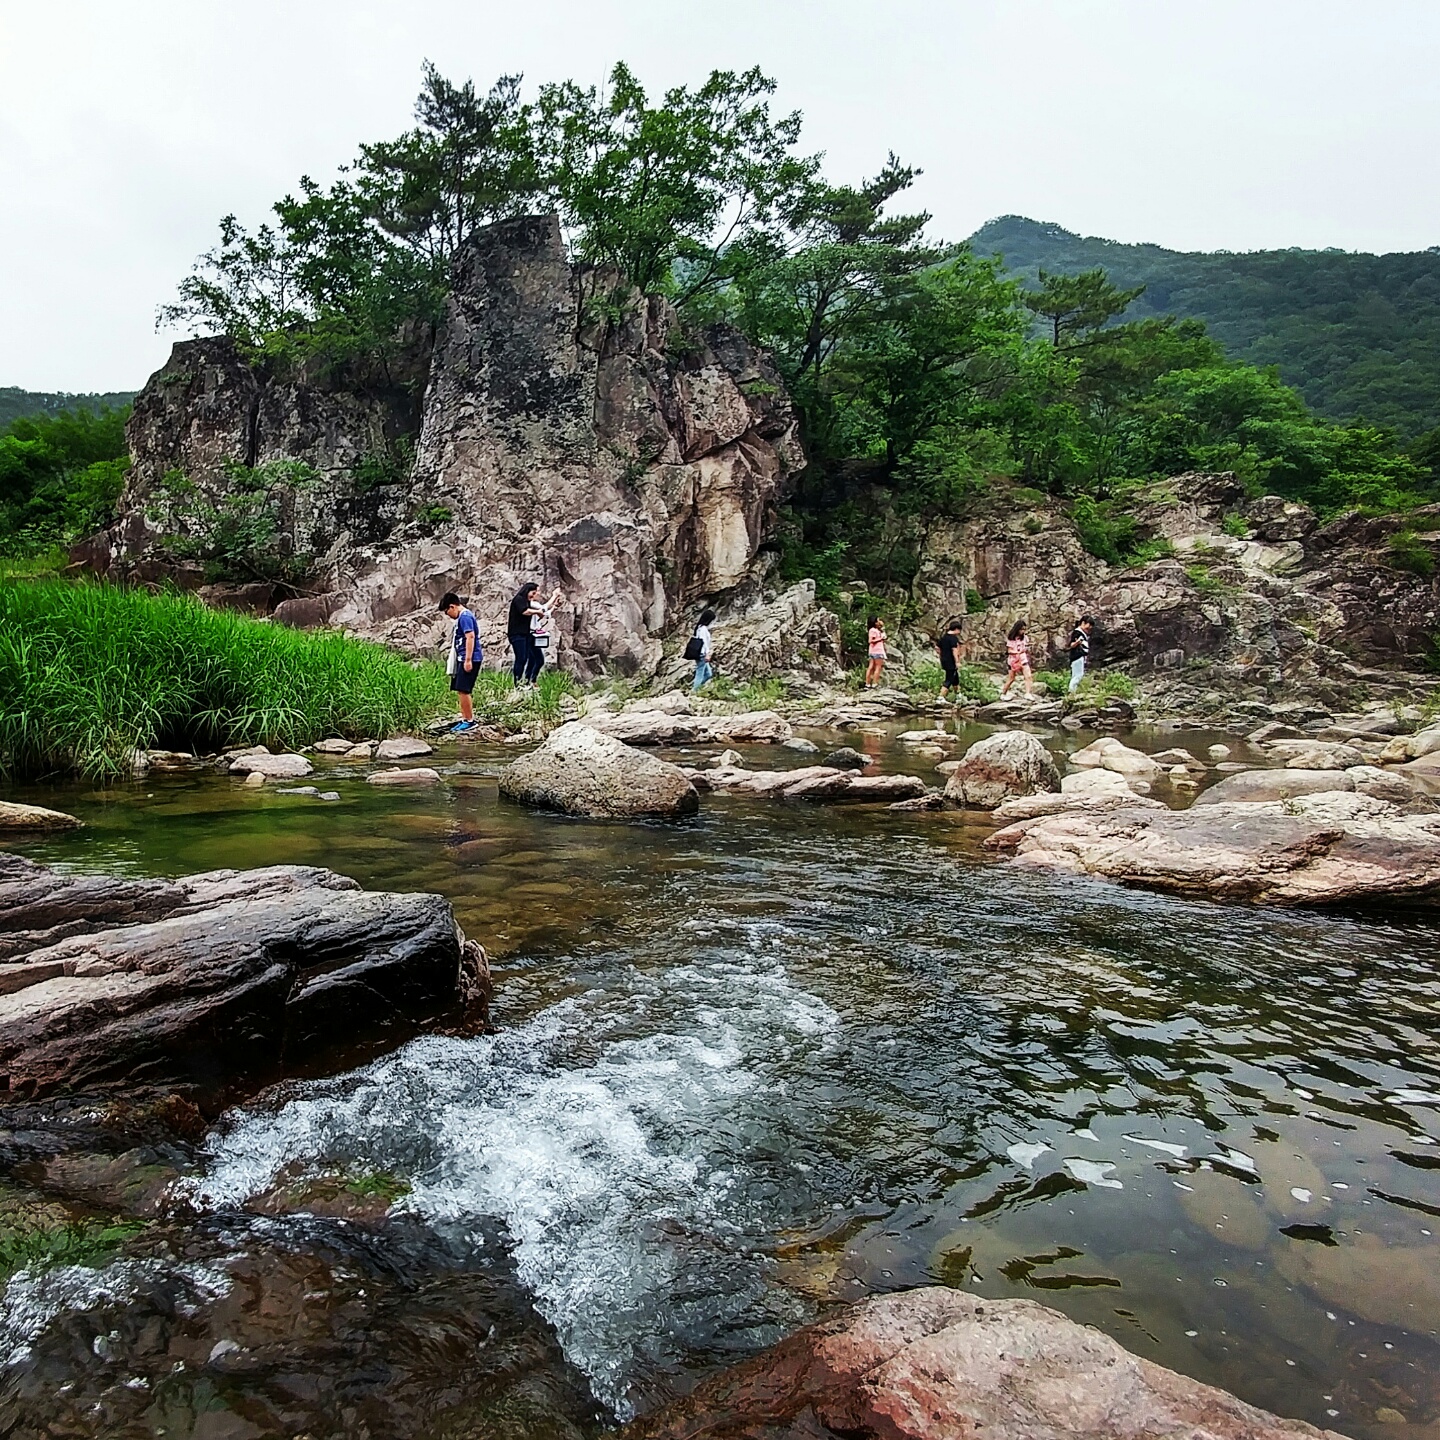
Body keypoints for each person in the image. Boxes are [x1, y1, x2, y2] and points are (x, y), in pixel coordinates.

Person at [439, 592, 482, 732]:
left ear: (452, 606)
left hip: (469, 658)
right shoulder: (462, 618)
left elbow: (470, 637)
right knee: (460, 689)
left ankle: (470, 720)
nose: (448, 615)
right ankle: (464, 718)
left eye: (447, 612)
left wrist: (468, 659)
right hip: (462, 658)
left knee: (464, 690)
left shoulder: (465, 617)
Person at [525, 586, 563, 685]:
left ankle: (528, 680)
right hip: (529, 634)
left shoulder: (535, 604)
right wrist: (554, 596)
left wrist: (555, 607)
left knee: (532, 659)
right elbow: (543, 608)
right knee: (539, 659)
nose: (538, 593)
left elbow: (545, 614)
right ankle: (531, 680)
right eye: (536, 591)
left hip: (534, 634)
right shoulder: (530, 604)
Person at [507, 582, 541, 686]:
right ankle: (517, 682)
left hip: (525, 634)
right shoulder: (519, 599)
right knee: (521, 658)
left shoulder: (527, 601)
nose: (533, 595)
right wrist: (537, 612)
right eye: (533, 592)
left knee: (526, 657)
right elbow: (524, 611)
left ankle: (525, 680)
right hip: (516, 634)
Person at [999, 618, 1033, 699]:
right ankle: (1003, 693)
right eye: (1021, 629)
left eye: (1024, 629)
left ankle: (1027, 693)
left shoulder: (1024, 637)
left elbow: (1026, 646)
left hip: (1023, 659)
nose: (1023, 631)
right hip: (1013, 660)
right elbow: (1009, 650)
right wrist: (1017, 652)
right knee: (1011, 678)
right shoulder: (1011, 638)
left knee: (1028, 676)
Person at [687, 608, 717, 690]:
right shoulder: (703, 629)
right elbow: (704, 642)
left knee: (708, 674)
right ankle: (694, 691)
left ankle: (696, 687)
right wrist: (707, 654)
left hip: (699, 653)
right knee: (700, 673)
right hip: (702, 654)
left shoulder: (698, 627)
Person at [936, 619, 964, 703]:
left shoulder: (944, 637)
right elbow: (954, 651)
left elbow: (937, 647)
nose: (959, 632)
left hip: (944, 660)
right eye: (959, 630)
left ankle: (958, 695)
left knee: (955, 678)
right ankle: (940, 697)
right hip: (951, 661)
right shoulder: (953, 639)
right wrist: (957, 662)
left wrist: (942, 654)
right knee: (949, 679)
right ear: (956, 629)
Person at [1067, 615, 1094, 692]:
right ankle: (1071, 691)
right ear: (1083, 623)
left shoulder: (1082, 633)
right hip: (1077, 656)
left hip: (1080, 656)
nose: (1088, 630)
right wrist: (1077, 642)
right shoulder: (1077, 632)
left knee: (1077, 675)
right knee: (1077, 675)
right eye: (1088, 627)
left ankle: (1072, 691)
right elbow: (1071, 645)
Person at [864, 616, 887, 688]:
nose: (878, 622)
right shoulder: (873, 630)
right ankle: (874, 683)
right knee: (878, 667)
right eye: (877, 621)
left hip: (872, 651)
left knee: (871, 667)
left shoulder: (876, 630)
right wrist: (880, 639)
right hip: (877, 651)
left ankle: (867, 684)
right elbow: (870, 641)